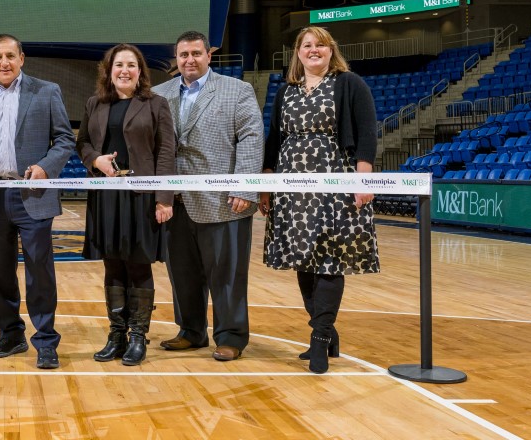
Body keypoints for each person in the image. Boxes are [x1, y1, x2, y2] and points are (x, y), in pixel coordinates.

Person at [259, 26, 380, 374]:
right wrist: (267, 180)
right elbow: (275, 138)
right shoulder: (286, 91)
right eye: (307, 45)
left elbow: (367, 131)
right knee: (303, 260)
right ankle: (325, 329)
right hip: (292, 188)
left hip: (334, 183)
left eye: (320, 45)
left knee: (328, 259)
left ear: (331, 50)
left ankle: (320, 337)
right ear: (298, 53)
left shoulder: (349, 84)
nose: (314, 50)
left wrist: (363, 176)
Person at [0, 34, 75, 370]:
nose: (5, 62)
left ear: (22, 58)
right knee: (0, 271)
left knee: (40, 271)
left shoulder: (47, 91)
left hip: (33, 194)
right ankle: (11, 334)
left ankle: (46, 341)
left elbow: (65, 139)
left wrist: (45, 166)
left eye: (11, 55)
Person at [152, 30, 263, 361]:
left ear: (209, 56)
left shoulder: (237, 90)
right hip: (176, 200)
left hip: (223, 201)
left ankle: (230, 336)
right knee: (182, 272)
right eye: (183, 54)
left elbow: (252, 137)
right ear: (176, 58)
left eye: (196, 53)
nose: (189, 60)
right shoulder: (159, 94)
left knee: (226, 274)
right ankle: (190, 331)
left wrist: (244, 186)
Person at [75, 44, 176, 366]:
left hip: (141, 196)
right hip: (106, 195)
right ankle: (116, 334)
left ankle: (137, 336)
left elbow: (166, 152)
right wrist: (96, 161)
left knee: (138, 264)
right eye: (119, 64)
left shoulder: (156, 104)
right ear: (109, 70)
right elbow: (83, 144)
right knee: (113, 264)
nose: (125, 70)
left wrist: (163, 198)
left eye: (131, 65)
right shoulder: (95, 103)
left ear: (140, 71)